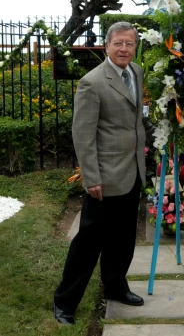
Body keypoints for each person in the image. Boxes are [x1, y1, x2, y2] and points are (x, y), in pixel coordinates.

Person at [53, 22, 151, 325]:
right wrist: (91, 177)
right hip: (105, 177)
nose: (124, 49)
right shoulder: (92, 83)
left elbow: (137, 119)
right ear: (106, 46)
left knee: (123, 238)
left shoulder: (136, 73)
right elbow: (82, 134)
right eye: (118, 43)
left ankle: (115, 286)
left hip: (132, 171)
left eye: (129, 44)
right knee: (89, 242)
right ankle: (65, 302)